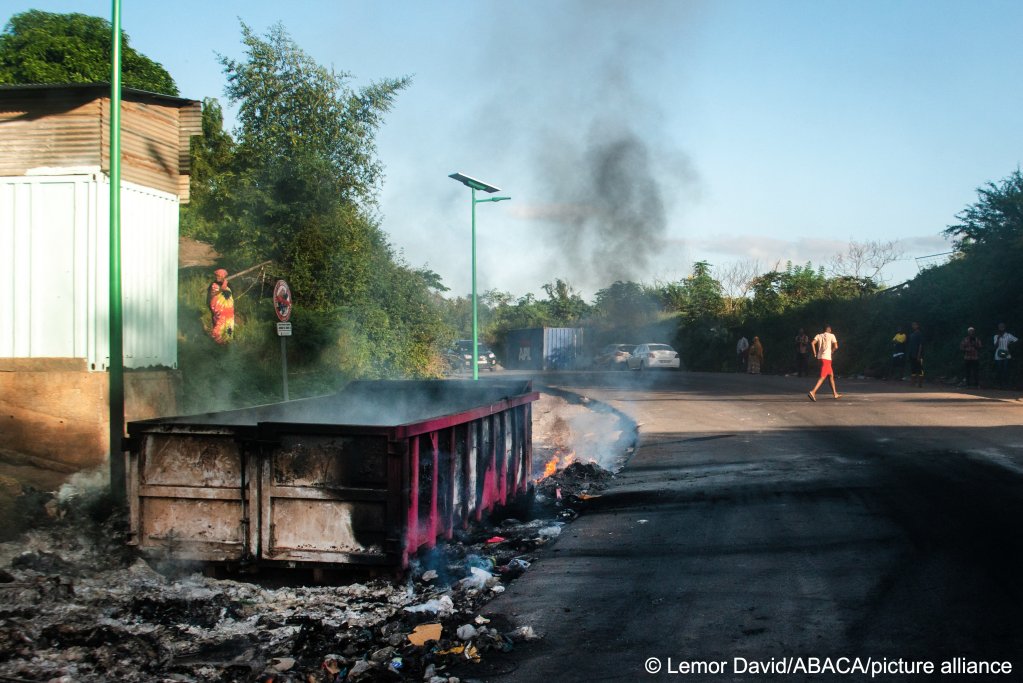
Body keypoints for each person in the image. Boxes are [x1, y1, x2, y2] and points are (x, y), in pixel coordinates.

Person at [807, 325, 840, 401]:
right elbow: (836, 346)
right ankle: (813, 392)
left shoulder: (819, 335)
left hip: (820, 358)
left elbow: (812, 343)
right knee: (823, 376)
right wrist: (832, 351)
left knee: (831, 375)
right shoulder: (832, 335)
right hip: (827, 358)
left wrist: (815, 353)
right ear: (830, 330)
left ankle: (835, 393)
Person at [207, 268, 235, 344]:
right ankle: (216, 343)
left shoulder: (229, 284)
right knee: (218, 327)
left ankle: (226, 342)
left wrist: (225, 285)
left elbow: (231, 296)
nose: (217, 277)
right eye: (216, 275)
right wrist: (221, 289)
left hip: (228, 311)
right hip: (219, 311)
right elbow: (212, 294)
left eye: (219, 276)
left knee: (228, 326)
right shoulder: (214, 285)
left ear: (224, 277)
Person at [993, 323, 1018, 389]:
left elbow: (1016, 340)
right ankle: (999, 384)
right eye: (1000, 327)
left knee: (1006, 370)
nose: (1001, 328)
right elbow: (995, 346)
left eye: (1002, 327)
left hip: (1006, 354)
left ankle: (1005, 384)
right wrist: (998, 338)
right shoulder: (996, 336)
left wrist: (1010, 346)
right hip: (998, 355)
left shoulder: (1008, 335)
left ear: (1004, 327)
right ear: (998, 328)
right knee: (999, 370)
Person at [906, 322, 924, 388]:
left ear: (918, 325)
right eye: (912, 325)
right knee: (913, 368)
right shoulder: (912, 334)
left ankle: (920, 384)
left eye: (915, 325)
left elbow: (920, 345)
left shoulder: (919, 334)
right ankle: (912, 383)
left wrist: (919, 355)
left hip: (918, 354)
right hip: (912, 354)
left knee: (920, 369)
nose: (913, 326)